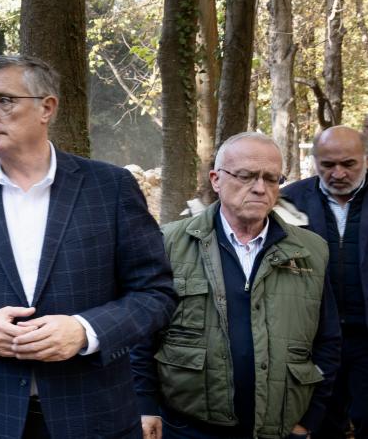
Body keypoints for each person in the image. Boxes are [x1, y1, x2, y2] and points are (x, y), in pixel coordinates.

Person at [0, 54, 177, 439]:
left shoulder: (110, 188)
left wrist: (85, 331)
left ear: (46, 108)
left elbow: (156, 293)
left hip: (96, 418)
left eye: (4, 101)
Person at [133, 132, 342, 439]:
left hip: (280, 429)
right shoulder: (167, 244)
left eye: (272, 179)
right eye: (246, 176)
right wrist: (146, 404)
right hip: (188, 427)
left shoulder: (311, 251)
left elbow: (328, 341)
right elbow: (141, 336)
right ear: (216, 179)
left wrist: (309, 419)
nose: (260, 188)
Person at [281, 125, 368, 438]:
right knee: (319, 421)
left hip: (366, 337)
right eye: (328, 165)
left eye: (349, 164)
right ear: (315, 161)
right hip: (314, 339)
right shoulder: (288, 202)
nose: (339, 173)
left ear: (365, 158)